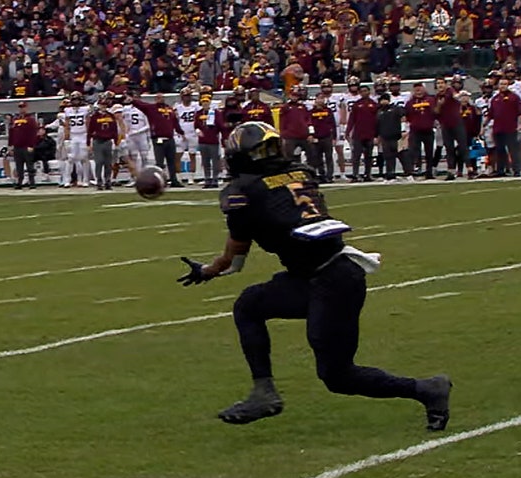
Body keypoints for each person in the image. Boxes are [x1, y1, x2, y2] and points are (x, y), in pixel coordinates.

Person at [174, 121, 451, 430]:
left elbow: (235, 260)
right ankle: (263, 392)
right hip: (320, 273)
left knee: (338, 375)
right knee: (249, 304)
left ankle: (427, 389)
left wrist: (207, 270)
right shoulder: (302, 172)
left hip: (333, 282)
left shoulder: (243, 192)